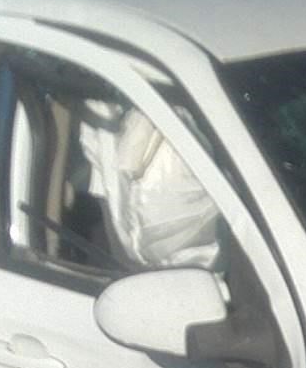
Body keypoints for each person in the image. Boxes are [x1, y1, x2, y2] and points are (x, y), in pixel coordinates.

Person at [73, 99, 224, 273]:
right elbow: (108, 197)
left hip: (193, 277)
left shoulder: (190, 144)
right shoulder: (106, 117)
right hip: (130, 269)